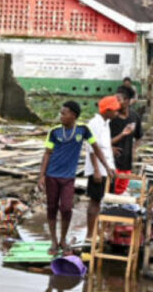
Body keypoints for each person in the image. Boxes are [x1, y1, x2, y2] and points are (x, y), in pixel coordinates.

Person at [38, 101, 97, 255]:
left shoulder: (83, 130)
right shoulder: (54, 132)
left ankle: (63, 239)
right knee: (51, 207)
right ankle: (54, 241)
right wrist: (41, 176)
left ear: (73, 116)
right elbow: (47, 153)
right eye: (60, 113)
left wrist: (102, 167)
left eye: (64, 113)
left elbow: (96, 147)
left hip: (68, 178)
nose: (60, 116)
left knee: (66, 208)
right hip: (52, 175)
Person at [85, 95, 119, 240]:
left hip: (106, 168)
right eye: (115, 110)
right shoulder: (94, 123)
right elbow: (91, 148)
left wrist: (111, 167)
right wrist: (97, 170)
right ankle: (89, 234)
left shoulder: (106, 123)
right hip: (97, 169)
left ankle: (97, 231)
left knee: (102, 201)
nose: (117, 113)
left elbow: (105, 148)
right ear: (108, 110)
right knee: (95, 200)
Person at [109, 80, 143, 194]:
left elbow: (139, 137)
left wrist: (134, 151)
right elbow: (100, 141)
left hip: (126, 162)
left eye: (118, 100)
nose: (116, 103)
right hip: (110, 161)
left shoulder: (134, 117)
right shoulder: (110, 117)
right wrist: (109, 148)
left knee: (120, 192)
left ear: (127, 101)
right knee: (109, 190)